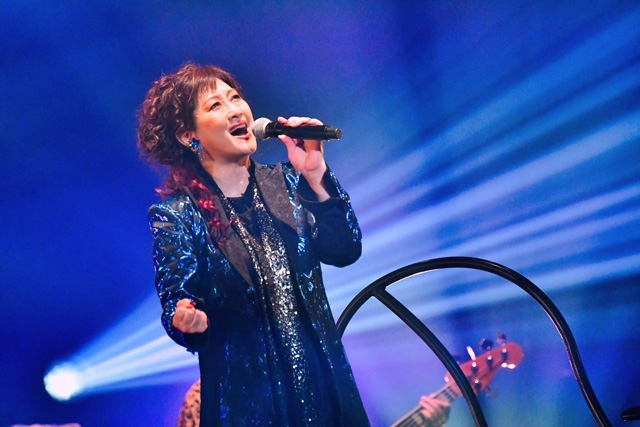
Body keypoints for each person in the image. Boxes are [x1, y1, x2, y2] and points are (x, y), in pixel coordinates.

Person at [137, 62, 450, 426]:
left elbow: (344, 249)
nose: (235, 109)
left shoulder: (287, 182)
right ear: (187, 134)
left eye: (235, 98)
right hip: (248, 410)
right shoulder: (178, 215)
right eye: (216, 105)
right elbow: (178, 301)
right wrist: (187, 318)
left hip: (327, 398)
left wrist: (315, 174)